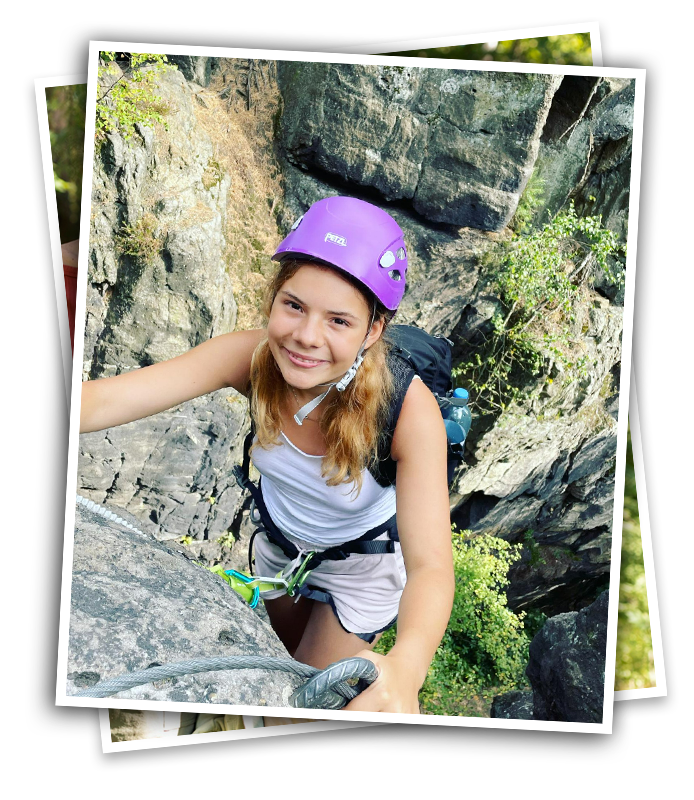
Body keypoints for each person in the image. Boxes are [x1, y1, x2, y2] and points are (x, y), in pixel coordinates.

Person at [80, 196, 455, 714]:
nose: (305, 336)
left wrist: (407, 669)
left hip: (361, 570)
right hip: (279, 546)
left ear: (373, 330)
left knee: (298, 706)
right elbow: (106, 399)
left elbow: (432, 565)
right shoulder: (252, 360)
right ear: (273, 299)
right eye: (294, 305)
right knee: (281, 661)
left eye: (339, 321)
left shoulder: (407, 415)